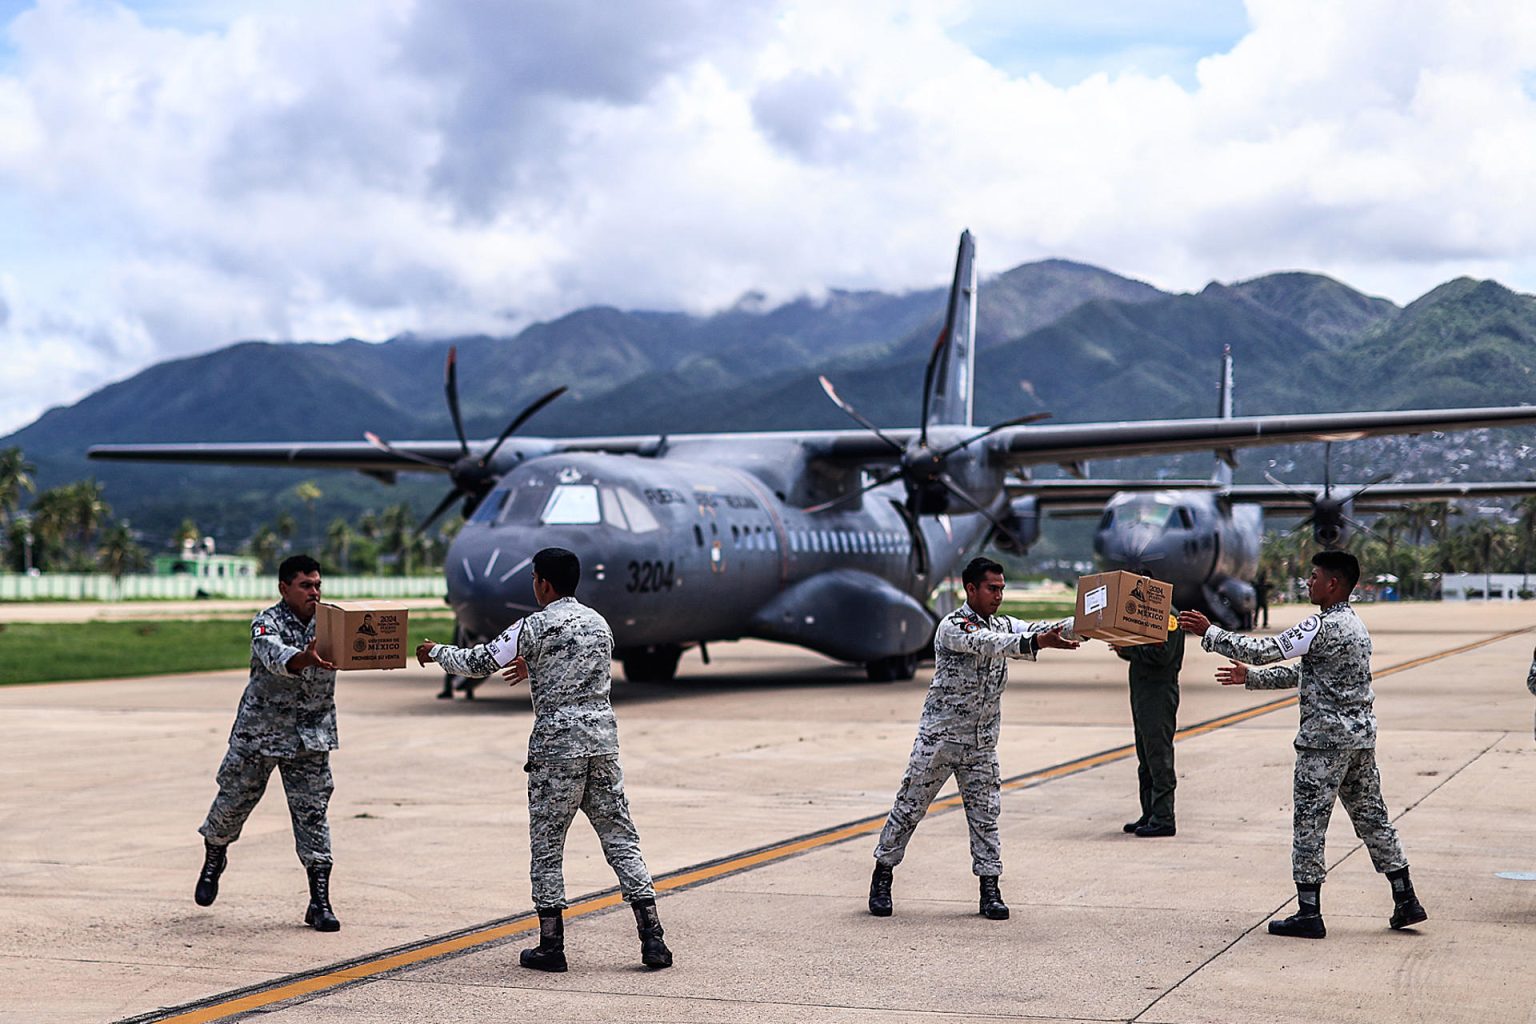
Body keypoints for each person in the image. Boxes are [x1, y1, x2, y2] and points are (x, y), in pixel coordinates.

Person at [416, 547, 671, 972]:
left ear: (542, 583)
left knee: (548, 847)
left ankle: (551, 946)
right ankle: (653, 940)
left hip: (557, 747)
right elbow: (579, 667)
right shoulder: (598, 622)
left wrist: (436, 651)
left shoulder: (533, 626)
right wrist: (536, 667)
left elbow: (477, 663)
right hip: (603, 742)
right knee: (621, 838)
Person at [1178, 550, 1426, 939]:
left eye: (1314, 577)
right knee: (1373, 819)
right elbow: (1308, 672)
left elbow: (1262, 650)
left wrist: (1209, 633)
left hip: (1324, 746)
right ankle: (1405, 897)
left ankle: (1309, 912)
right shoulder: (1355, 627)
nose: (1308, 583)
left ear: (1333, 584)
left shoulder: (1318, 625)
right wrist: (1254, 680)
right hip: (1359, 741)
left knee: (1309, 826)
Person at [868, 556, 1082, 920]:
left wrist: (1089, 624)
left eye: (1001, 588)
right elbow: (990, 643)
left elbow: (1041, 627)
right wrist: (1036, 642)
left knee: (986, 818)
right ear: (971, 589)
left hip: (981, 744)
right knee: (908, 810)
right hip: (940, 741)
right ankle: (883, 874)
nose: (998, 595)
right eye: (992, 588)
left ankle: (990, 890)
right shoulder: (952, 626)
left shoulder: (1004, 623)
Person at [194, 554, 343, 931]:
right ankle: (215, 854)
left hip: (310, 735)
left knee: (313, 815)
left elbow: (363, 645)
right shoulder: (266, 622)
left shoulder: (333, 623)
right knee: (231, 805)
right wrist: (304, 658)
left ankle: (319, 901)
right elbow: (274, 655)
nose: (314, 592)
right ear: (284, 588)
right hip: (259, 734)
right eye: (305, 585)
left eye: (317, 584)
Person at [1116, 610, 1184, 838]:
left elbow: (1163, 654)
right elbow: (1141, 651)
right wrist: (1123, 648)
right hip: (1143, 692)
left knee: (1158, 755)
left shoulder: (1167, 617)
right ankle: (1150, 813)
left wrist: (1128, 649)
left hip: (1159, 693)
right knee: (1145, 757)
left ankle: (1164, 817)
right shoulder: (1145, 616)